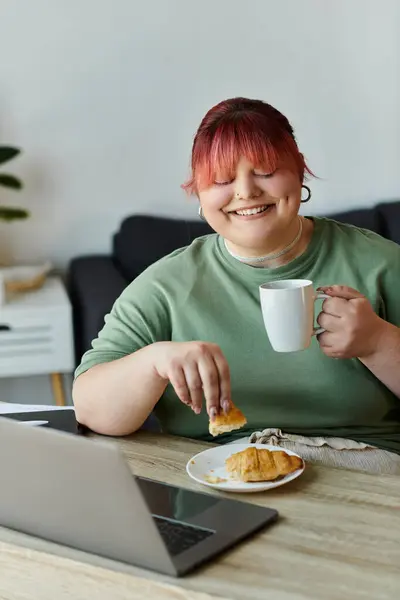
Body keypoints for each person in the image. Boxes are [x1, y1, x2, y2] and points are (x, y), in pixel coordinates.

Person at [73, 97, 400, 473]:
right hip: (221, 478)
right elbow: (90, 410)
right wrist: (152, 362)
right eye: (223, 179)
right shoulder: (166, 285)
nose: (245, 192)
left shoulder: (379, 263)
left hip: (361, 472)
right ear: (198, 192)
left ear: (299, 171)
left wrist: (378, 342)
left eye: (265, 170)